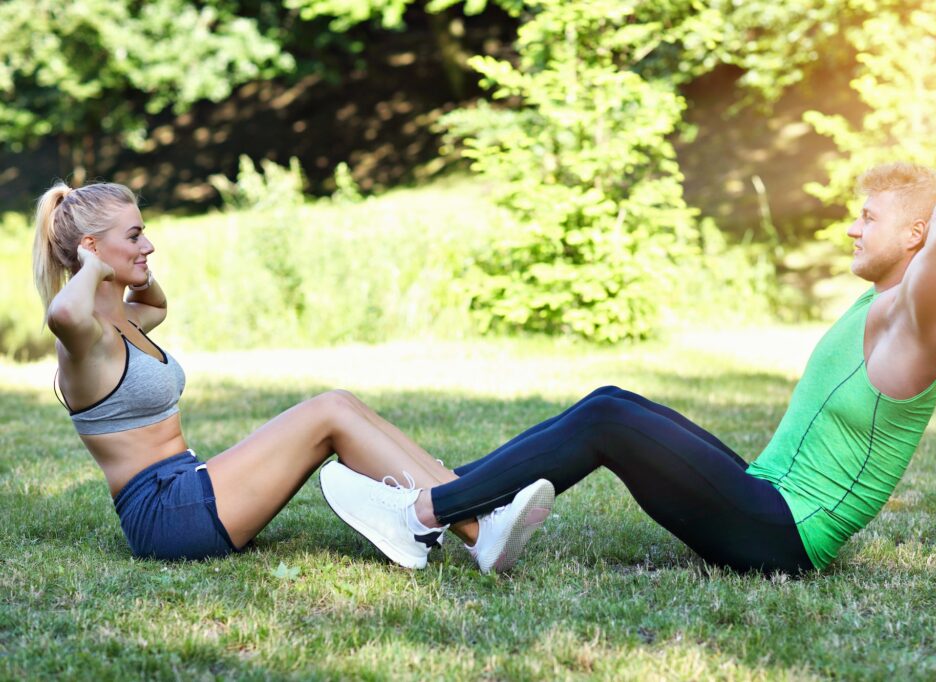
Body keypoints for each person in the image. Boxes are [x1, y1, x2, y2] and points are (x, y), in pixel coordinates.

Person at [319, 162, 936, 574]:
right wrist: (910, 216)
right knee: (612, 399)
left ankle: (419, 514)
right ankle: (464, 504)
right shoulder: (879, 298)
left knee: (610, 421)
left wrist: (932, 206)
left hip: (784, 534)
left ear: (914, 238)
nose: (852, 228)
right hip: (765, 494)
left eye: (870, 218)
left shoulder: (917, 325)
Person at [32, 181, 554, 571]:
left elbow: (155, 302)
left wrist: (118, 261)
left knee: (341, 402)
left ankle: (477, 503)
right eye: (136, 234)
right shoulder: (85, 340)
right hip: (165, 516)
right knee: (327, 411)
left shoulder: (124, 319)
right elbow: (63, 315)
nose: (149, 246)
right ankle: (479, 533)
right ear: (91, 250)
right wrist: (91, 263)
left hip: (188, 485)